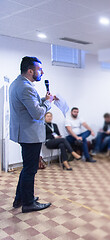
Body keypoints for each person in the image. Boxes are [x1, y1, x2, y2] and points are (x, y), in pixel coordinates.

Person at [10, 56, 53, 213]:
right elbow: (36, 113)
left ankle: (20, 199)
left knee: (27, 168)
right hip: (30, 135)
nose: (42, 72)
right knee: (30, 169)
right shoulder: (26, 87)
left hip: (24, 133)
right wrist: (48, 103)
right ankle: (28, 203)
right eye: (39, 69)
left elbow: (29, 104)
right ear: (30, 71)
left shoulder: (18, 83)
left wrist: (45, 99)